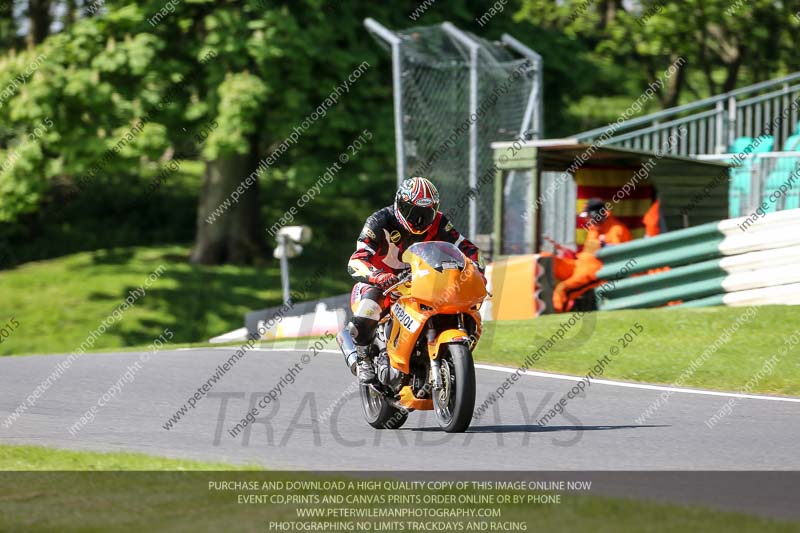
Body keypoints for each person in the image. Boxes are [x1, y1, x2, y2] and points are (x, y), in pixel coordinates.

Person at [346, 176, 484, 383]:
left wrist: (477, 269)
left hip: (422, 280)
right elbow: (356, 260)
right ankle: (364, 357)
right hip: (383, 283)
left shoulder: (439, 222)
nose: (419, 220)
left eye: (426, 213)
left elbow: (468, 249)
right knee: (366, 313)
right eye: (413, 212)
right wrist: (378, 276)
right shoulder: (379, 221)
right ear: (399, 204)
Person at [551, 198, 632, 312]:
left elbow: (616, 257)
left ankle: (556, 318)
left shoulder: (617, 230)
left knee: (563, 289)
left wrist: (603, 246)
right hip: (580, 265)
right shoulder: (593, 229)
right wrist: (571, 254)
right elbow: (588, 253)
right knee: (548, 261)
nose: (587, 220)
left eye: (588, 216)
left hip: (597, 272)